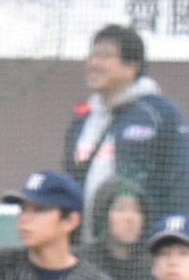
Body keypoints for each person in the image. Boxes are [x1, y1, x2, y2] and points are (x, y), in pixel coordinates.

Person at [65, 24, 189, 243]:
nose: (94, 63)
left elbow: (181, 184)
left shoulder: (160, 115)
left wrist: (169, 244)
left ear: (132, 66)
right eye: (93, 55)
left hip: (143, 250)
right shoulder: (83, 120)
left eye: (105, 56)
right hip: (88, 250)